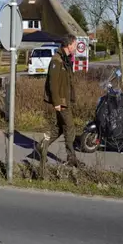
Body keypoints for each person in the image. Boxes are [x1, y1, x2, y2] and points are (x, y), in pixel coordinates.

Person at [38, 34, 80, 169]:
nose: (76, 46)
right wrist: (56, 102)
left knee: (60, 128)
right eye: (74, 44)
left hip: (65, 99)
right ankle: (71, 158)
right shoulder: (56, 60)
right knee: (70, 127)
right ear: (69, 45)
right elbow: (53, 84)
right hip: (61, 101)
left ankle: (42, 145)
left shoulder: (65, 59)